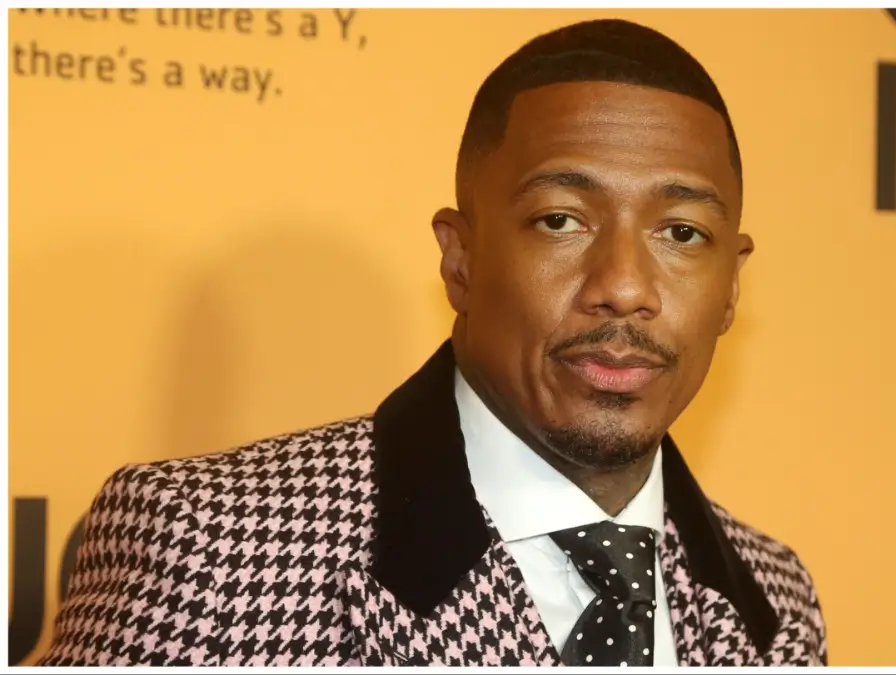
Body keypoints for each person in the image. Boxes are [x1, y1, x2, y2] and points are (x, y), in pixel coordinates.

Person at [39, 18, 827, 667]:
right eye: (561, 220)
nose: (624, 285)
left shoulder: (778, 596)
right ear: (461, 259)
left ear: (732, 286)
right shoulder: (212, 551)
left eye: (682, 232)